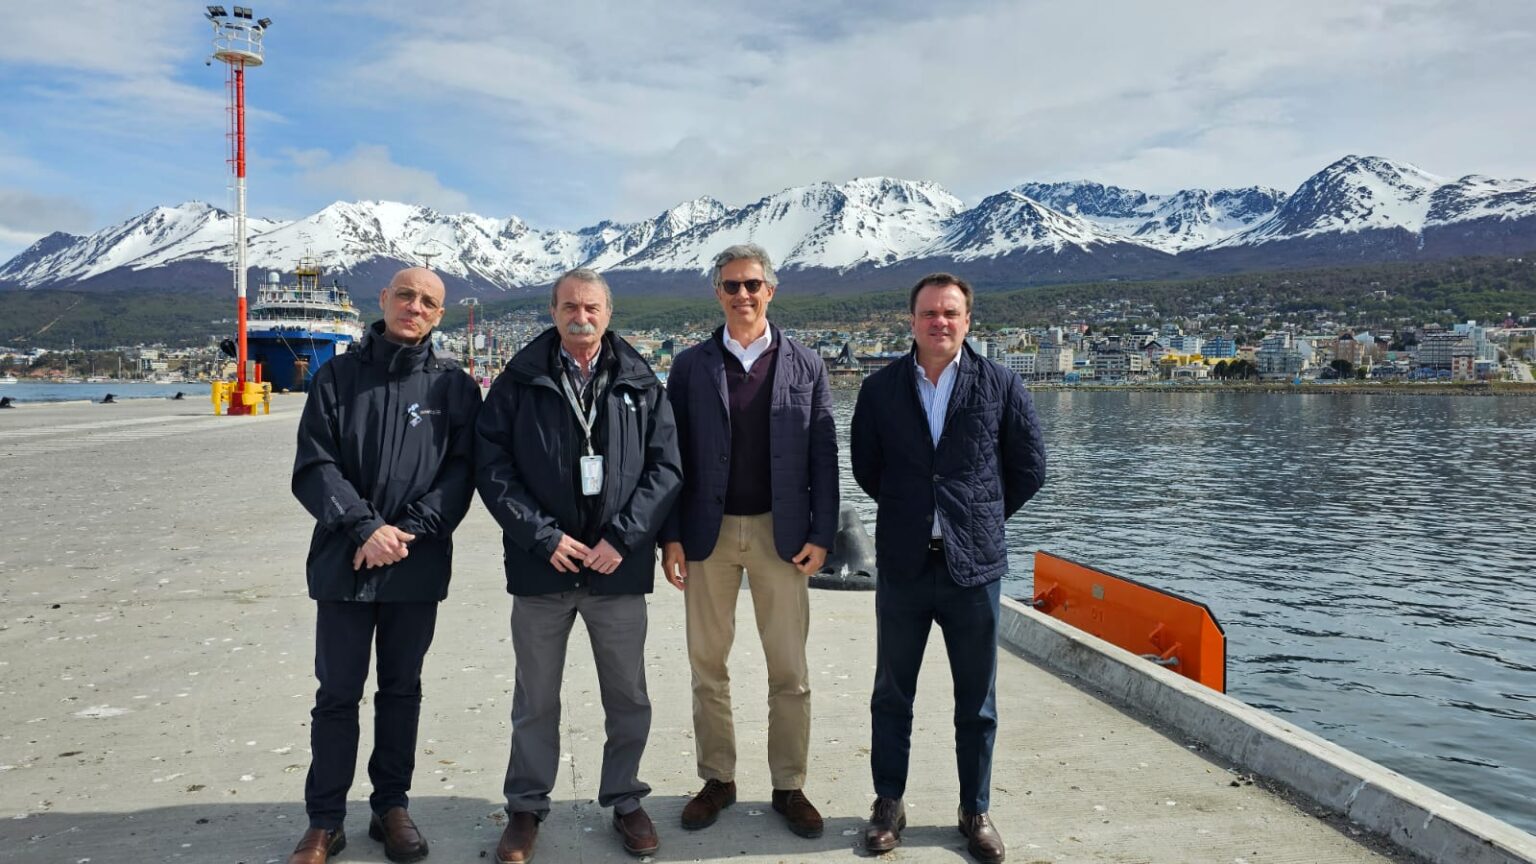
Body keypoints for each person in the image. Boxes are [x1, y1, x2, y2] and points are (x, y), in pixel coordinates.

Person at [476, 268, 682, 864]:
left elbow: (665, 469)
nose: (580, 315)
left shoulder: (642, 382)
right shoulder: (518, 381)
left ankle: (625, 798)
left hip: (617, 568)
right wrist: (543, 537)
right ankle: (525, 806)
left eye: (591, 306)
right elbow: (493, 468)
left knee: (628, 695)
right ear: (553, 310)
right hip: (543, 569)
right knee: (535, 698)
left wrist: (624, 538)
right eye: (569, 306)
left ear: (608, 312)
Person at [850, 273, 1046, 863]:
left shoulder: (1001, 384)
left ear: (968, 321)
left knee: (977, 701)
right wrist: (917, 511)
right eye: (929, 313)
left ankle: (975, 809)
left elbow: (1028, 466)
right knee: (891, 693)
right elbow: (867, 468)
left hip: (974, 569)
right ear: (911, 321)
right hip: (905, 565)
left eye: (951, 313)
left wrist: (978, 515)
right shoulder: (880, 389)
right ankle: (889, 803)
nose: (940, 322)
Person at [288, 267, 482, 864]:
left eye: (428, 301)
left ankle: (390, 807)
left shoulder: (454, 387)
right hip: (344, 560)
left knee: (401, 691)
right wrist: (365, 527)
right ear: (384, 300)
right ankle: (325, 821)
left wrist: (408, 533)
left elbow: (462, 474)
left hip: (414, 567)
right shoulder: (337, 378)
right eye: (406, 295)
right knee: (337, 694)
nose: (415, 307)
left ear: (439, 315)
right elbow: (315, 466)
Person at [660, 243, 838, 839]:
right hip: (707, 537)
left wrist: (822, 534)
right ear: (717, 293)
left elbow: (823, 455)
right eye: (732, 286)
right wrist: (672, 537)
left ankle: (789, 785)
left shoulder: (806, 364)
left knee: (790, 670)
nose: (743, 295)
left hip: (781, 537)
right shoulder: (689, 366)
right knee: (707, 667)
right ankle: (718, 779)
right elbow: (670, 457)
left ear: (771, 291)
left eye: (753, 285)